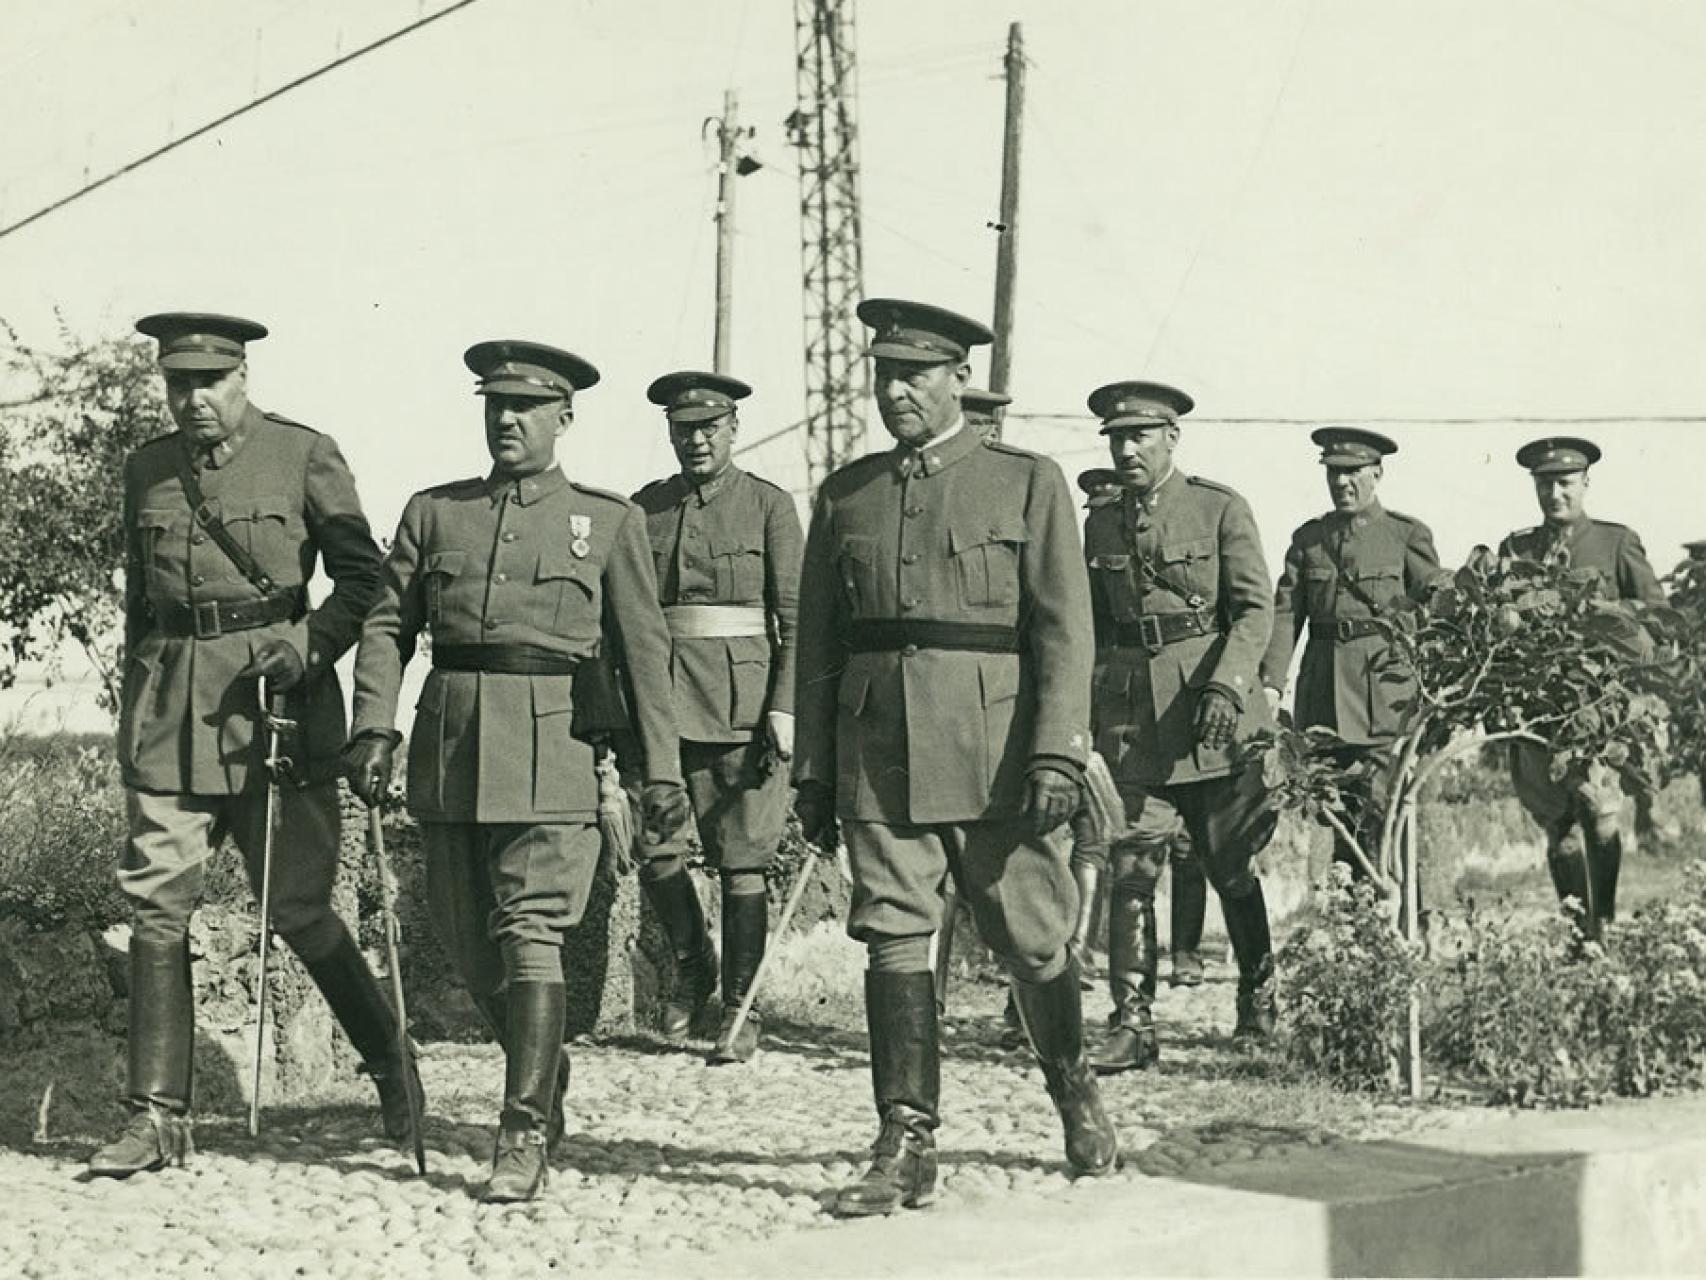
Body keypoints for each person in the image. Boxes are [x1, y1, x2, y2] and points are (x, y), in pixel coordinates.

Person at [343, 340, 689, 1202]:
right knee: (468, 945)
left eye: (526, 408)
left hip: (554, 750)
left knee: (530, 933)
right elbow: (389, 626)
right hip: (452, 749)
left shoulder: (607, 522)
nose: (506, 420)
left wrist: (662, 774)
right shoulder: (434, 512)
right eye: (493, 405)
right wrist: (373, 726)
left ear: (563, 418)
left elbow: (645, 655)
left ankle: (522, 1127)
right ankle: (546, 1070)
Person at [794, 298, 1117, 1217]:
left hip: (998, 752)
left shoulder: (1025, 481)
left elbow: (1065, 632)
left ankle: (1073, 1083)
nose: (897, 390)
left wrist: (1055, 752)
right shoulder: (845, 494)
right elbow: (818, 647)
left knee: (1032, 937)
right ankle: (905, 1141)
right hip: (878, 750)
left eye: (917, 375)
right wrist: (814, 770)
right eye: (885, 373)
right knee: (893, 933)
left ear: (957, 380)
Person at [92, 312, 407, 1179]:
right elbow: (138, 607)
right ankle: (156, 1116)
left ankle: (391, 1067)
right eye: (177, 384)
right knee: (156, 906)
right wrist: (133, 710)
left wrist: (308, 651)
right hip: (170, 710)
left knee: (299, 908)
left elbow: (364, 580)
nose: (192, 399)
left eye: (209, 382)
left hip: (276, 710)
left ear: (241, 378)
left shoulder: (304, 454)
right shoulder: (147, 469)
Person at [1082, 380, 1280, 1071]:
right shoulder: (1101, 522)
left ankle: (1258, 999)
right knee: (1131, 867)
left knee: (1230, 868)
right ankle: (1132, 1022)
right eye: (1116, 438)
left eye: (1140, 435)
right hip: (1135, 722)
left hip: (1212, 719)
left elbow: (1256, 611)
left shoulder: (1219, 508)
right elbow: (1098, 628)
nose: (1127, 449)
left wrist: (1228, 685)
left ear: (1172, 437)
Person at [630, 370, 803, 1063]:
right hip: (666, 706)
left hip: (746, 709)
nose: (695, 440)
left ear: (734, 428)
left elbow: (795, 619)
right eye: (682, 429)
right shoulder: (645, 510)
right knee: (658, 854)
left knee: (743, 865)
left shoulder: (769, 506)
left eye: (708, 427)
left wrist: (786, 704)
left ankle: (741, 1003)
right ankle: (693, 966)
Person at [1499, 437, 1662, 939]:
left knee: (1601, 813)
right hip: (1539, 710)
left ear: (1585, 484)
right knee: (1559, 826)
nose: (1554, 493)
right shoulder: (1517, 549)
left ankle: (1605, 925)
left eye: (1564, 483)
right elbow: (1499, 620)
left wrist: (1611, 627)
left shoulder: (1615, 543)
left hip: (1600, 707)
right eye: (1544, 484)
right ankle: (1578, 934)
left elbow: (1654, 613)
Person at [1260, 428, 1440, 882]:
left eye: (1353, 473)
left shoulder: (1405, 536)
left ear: (1377, 473)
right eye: (1334, 473)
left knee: (1384, 808)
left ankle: (1396, 916)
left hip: (1385, 697)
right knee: (1334, 813)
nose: (1342, 482)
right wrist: (1270, 683)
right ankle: (1352, 925)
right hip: (1323, 697)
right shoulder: (1309, 541)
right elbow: (1285, 616)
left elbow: (1438, 609)